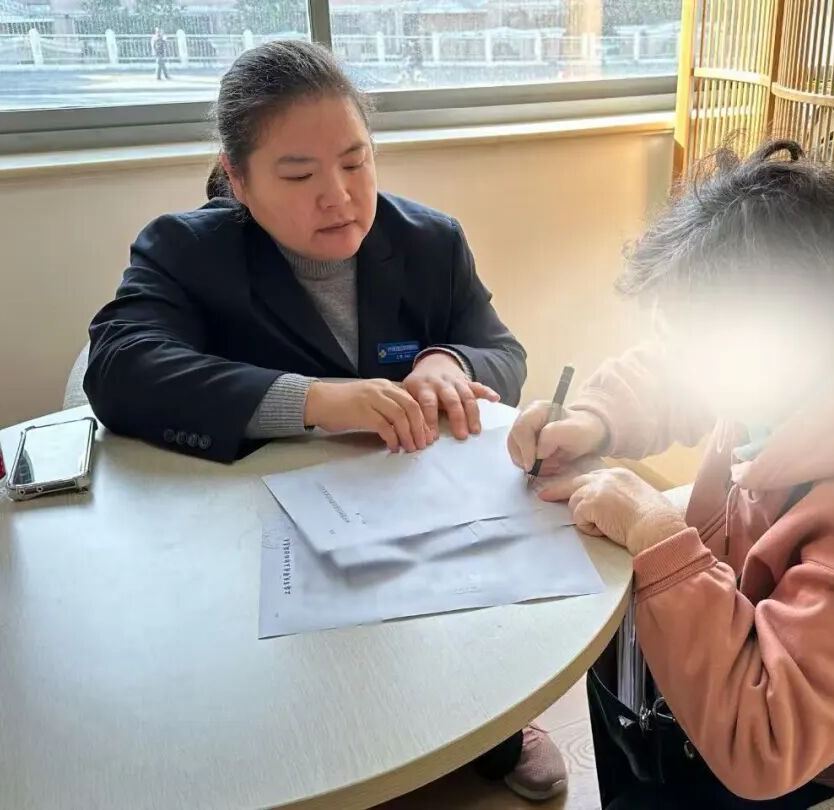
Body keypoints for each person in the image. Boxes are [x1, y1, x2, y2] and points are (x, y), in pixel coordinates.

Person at [85, 40, 565, 801]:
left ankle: (495, 726)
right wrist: (312, 399)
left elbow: (501, 350)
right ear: (238, 179)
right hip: (257, 538)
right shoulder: (186, 251)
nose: (338, 196)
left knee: (468, 637)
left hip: (412, 515)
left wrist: (449, 362)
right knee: (294, 726)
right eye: (298, 174)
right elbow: (120, 367)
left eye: (355, 162)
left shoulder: (428, 242)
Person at [508, 140, 834, 809]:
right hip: (815, 702)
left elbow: (767, 743)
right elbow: (672, 373)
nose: (689, 367)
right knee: (620, 665)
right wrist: (594, 419)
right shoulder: (820, 362)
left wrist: (655, 532)